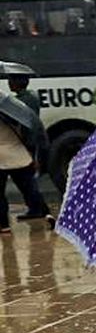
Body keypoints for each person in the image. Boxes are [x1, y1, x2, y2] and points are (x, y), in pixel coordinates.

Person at [0, 93, 50, 233]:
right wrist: (34, 156)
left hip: (2, 159)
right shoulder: (14, 115)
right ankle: (47, 214)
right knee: (29, 189)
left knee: (0, 195)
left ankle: (4, 225)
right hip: (20, 156)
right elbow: (27, 136)